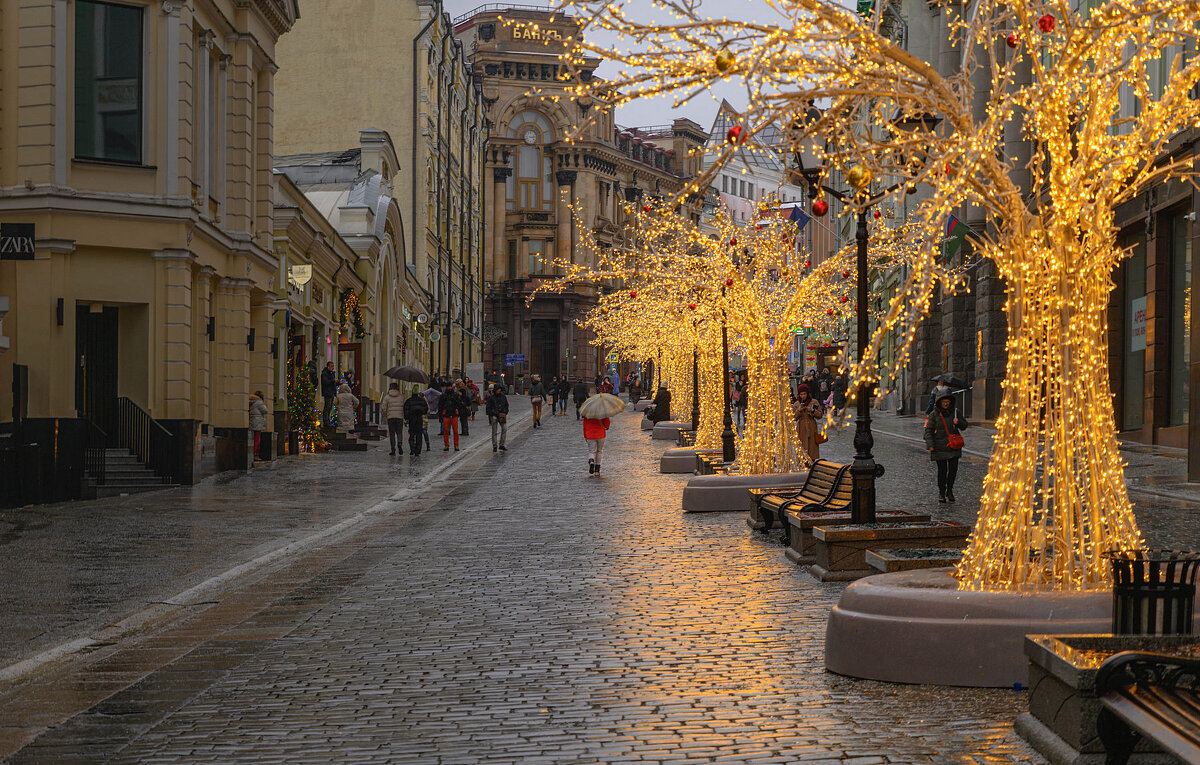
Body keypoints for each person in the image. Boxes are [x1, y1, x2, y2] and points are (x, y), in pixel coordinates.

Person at [924, 390, 968, 503]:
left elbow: (965, 425)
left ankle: (950, 490)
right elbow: (928, 430)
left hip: (954, 446)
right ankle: (942, 492)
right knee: (942, 472)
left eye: (948, 401)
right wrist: (930, 445)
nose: (946, 404)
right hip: (939, 447)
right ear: (939, 402)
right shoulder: (934, 414)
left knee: (953, 471)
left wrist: (958, 422)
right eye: (944, 401)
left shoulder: (955, 412)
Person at [792, 384, 824, 462]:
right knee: (802, 447)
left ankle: (812, 462)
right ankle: (802, 462)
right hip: (802, 428)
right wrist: (799, 410)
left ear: (807, 393)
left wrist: (812, 411)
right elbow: (793, 418)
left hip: (812, 427)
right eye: (801, 394)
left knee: (812, 448)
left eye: (804, 394)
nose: (803, 396)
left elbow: (820, 415)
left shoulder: (814, 401)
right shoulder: (796, 404)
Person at [403, 385, 428, 456]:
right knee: (419, 434)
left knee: (411, 434)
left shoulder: (409, 401)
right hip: (419, 418)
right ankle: (418, 450)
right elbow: (426, 409)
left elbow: (406, 410)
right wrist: (422, 412)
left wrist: (406, 418)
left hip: (412, 419)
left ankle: (412, 449)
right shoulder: (422, 401)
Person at [381, 382, 406, 456]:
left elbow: (383, 408)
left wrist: (386, 415)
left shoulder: (387, 397)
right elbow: (405, 407)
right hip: (399, 418)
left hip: (391, 418)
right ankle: (399, 444)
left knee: (392, 434)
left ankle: (393, 449)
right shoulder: (402, 397)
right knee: (399, 432)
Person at [485, 382, 509, 452]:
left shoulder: (503, 396)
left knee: (504, 428)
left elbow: (506, 405)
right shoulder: (491, 397)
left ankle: (501, 444)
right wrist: (493, 413)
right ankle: (494, 445)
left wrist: (505, 412)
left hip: (502, 415)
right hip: (494, 416)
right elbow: (488, 408)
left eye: (500, 389)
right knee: (494, 431)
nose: (499, 390)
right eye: (498, 389)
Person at [440, 383, 463, 451]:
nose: (449, 388)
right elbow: (440, 405)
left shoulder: (455, 395)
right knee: (446, 431)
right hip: (446, 414)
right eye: (448, 387)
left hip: (453, 414)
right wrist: (440, 415)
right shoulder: (443, 395)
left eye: (450, 387)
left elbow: (459, 404)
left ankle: (456, 445)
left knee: (455, 431)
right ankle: (446, 445)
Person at [249, 391, 269, 460]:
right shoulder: (259, 402)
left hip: (252, 422)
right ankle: (255, 454)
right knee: (257, 440)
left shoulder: (251, 402)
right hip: (258, 423)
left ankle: (253, 454)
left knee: (253, 439)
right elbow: (265, 411)